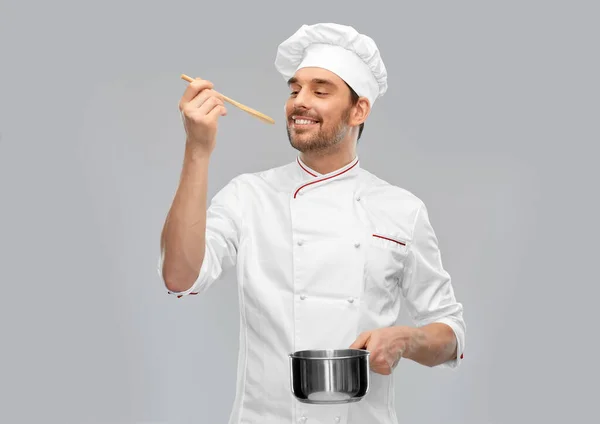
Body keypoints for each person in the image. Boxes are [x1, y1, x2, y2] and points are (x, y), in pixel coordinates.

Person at [158, 22, 465, 424]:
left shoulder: (400, 209)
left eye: (320, 91)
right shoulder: (249, 196)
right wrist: (198, 150)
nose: (299, 101)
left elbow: (450, 333)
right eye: (294, 89)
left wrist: (408, 339)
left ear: (359, 110)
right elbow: (179, 277)